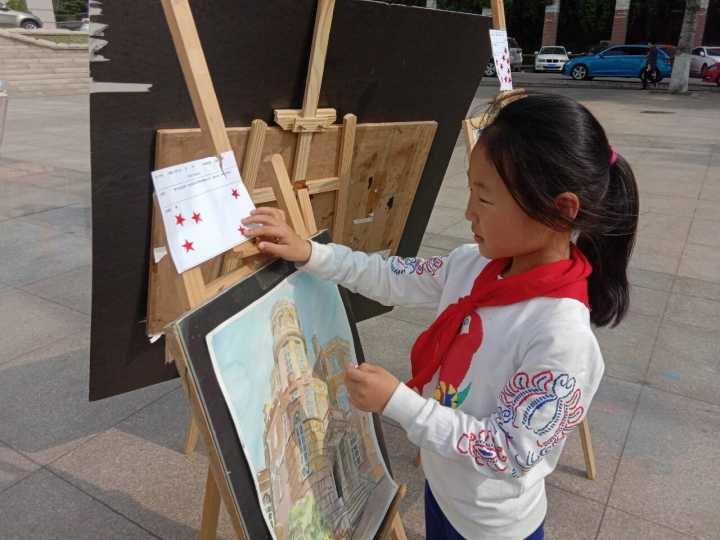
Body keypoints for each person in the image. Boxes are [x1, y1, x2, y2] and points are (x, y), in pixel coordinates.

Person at [242, 93, 639, 540]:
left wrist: (399, 403)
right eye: (470, 191)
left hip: (492, 527)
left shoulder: (561, 336)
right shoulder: (471, 265)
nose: (469, 212)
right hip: (444, 492)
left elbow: (508, 453)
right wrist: (310, 252)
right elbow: (390, 276)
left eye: (485, 198)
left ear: (559, 211)